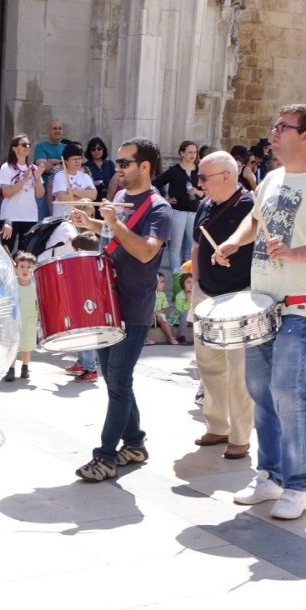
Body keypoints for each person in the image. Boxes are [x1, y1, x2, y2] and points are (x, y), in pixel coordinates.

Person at [214, 104, 306, 520]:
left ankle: (298, 485)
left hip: (301, 306)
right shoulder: (271, 178)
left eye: (282, 127)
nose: (273, 133)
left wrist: (295, 254)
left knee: (288, 395)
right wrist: (234, 242)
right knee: (260, 392)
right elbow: (255, 222)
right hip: (262, 302)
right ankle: (270, 475)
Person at [68, 139, 171, 482]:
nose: (118, 168)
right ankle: (136, 444)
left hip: (134, 307)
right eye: (118, 162)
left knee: (118, 382)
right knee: (116, 382)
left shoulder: (159, 208)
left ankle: (106, 457)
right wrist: (92, 224)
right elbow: (115, 237)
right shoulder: (123, 200)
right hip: (107, 303)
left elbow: (145, 252)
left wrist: (113, 222)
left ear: (145, 166)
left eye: (125, 163)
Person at [189, 150, 254, 459]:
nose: (199, 183)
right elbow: (197, 246)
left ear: (227, 176)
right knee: (208, 364)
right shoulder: (205, 205)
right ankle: (217, 425)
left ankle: (241, 436)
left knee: (239, 370)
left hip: (240, 293)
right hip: (207, 293)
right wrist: (197, 285)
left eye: (204, 177)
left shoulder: (250, 206)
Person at [156, 141, 202, 289]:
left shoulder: (199, 171)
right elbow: (156, 183)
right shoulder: (174, 170)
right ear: (182, 153)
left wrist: (199, 192)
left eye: (194, 152)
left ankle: (188, 283)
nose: (192, 155)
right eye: (189, 152)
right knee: (175, 249)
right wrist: (165, 200)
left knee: (190, 249)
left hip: (194, 212)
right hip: (177, 211)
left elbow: (206, 191)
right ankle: (177, 283)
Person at [0, 135, 43, 252]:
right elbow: (6, 193)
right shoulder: (6, 167)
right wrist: (24, 179)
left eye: (28, 145)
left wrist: (37, 178)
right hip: (10, 217)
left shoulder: (33, 168)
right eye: (23, 145)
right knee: (6, 251)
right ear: (14, 148)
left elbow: (40, 194)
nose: (27, 147)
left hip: (30, 216)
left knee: (27, 254)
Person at [7, 251, 36, 382]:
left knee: (27, 345)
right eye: (22, 267)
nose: (25, 270)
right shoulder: (12, 284)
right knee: (13, 344)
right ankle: (11, 368)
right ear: (16, 269)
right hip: (13, 320)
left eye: (29, 267)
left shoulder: (36, 285)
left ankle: (25, 367)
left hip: (30, 319)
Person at [32, 120, 68, 216]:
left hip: (62, 190)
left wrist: (50, 161)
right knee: (43, 219)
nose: (57, 131)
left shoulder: (66, 147)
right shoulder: (41, 146)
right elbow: (43, 166)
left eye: (59, 128)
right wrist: (61, 162)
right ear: (48, 131)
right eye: (54, 128)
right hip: (44, 189)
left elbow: (70, 167)